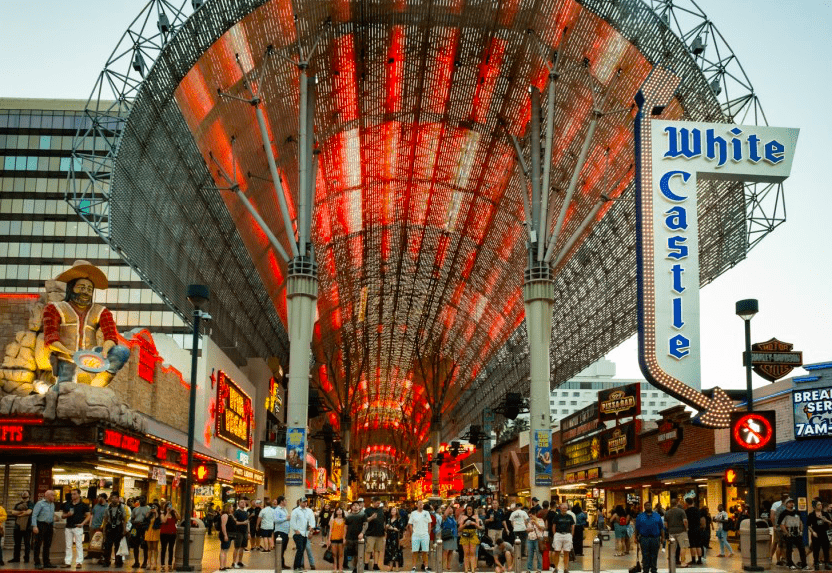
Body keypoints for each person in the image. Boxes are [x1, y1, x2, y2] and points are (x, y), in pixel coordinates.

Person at [42, 260, 130, 390]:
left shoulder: (102, 311)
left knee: (121, 351)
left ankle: (96, 387)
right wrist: (69, 353)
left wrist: (105, 352)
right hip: (66, 357)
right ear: (71, 288)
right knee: (65, 390)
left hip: (92, 356)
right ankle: (53, 389)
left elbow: (110, 336)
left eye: (89, 289)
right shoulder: (54, 308)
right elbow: (50, 339)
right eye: (81, 287)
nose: (86, 292)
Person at [60, 488, 90, 569]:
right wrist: (67, 515)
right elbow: (62, 516)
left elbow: (88, 515)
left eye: (74, 494)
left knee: (79, 545)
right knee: (68, 545)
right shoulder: (67, 504)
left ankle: (79, 562)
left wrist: (82, 524)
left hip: (78, 526)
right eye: (72, 494)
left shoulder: (83, 505)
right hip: (68, 526)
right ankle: (68, 561)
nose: (72, 495)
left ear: (79, 495)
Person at [778, 498, 809, 570]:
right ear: (786, 504)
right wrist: (786, 532)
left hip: (797, 531)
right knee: (789, 549)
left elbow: (801, 522)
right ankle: (790, 563)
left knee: (802, 549)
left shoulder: (797, 512)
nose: (791, 504)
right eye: (789, 503)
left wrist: (801, 531)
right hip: (789, 531)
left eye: (792, 502)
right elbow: (781, 524)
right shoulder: (783, 513)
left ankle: (804, 564)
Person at [32, 489, 58, 569]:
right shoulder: (40, 503)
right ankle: (37, 563)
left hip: (49, 525)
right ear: (46, 495)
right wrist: (34, 526)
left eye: (54, 495)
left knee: (47, 544)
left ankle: (46, 562)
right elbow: (34, 515)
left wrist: (53, 522)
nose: (54, 497)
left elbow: (51, 514)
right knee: (38, 544)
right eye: (52, 495)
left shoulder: (52, 504)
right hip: (41, 524)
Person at [99, 494, 128, 568]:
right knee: (108, 546)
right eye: (113, 498)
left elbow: (124, 520)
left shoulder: (121, 508)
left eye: (116, 498)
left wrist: (124, 530)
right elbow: (105, 519)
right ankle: (106, 561)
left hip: (118, 528)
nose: (114, 499)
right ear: (110, 499)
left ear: (118, 499)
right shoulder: (107, 508)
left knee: (118, 546)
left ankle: (118, 561)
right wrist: (104, 529)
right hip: (109, 528)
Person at [635, 501, 664, 573]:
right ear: (644, 507)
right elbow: (636, 528)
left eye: (649, 505)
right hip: (644, 538)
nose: (648, 507)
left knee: (654, 555)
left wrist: (663, 537)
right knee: (645, 555)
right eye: (646, 506)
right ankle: (646, 570)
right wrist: (635, 537)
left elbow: (661, 527)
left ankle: (654, 569)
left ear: (651, 506)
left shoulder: (657, 516)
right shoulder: (640, 516)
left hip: (655, 538)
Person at [291, 497, 315, 571]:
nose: (305, 503)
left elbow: (312, 521)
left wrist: (311, 529)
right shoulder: (295, 511)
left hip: (306, 533)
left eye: (306, 502)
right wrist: (296, 530)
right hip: (298, 533)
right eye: (303, 502)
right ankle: (296, 566)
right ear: (300, 502)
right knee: (300, 549)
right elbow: (292, 521)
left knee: (303, 549)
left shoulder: (309, 511)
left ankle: (301, 565)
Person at [407, 500, 432, 573]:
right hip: (416, 535)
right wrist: (413, 532)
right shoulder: (413, 513)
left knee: (425, 551)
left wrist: (428, 533)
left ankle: (426, 567)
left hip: (424, 534)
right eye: (420, 504)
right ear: (417, 505)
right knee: (415, 551)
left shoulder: (426, 513)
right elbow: (410, 524)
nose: (421, 505)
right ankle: (414, 567)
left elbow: (429, 524)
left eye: (422, 504)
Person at [11, 490, 34, 563]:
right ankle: (16, 558)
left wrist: (19, 514)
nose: (24, 493)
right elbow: (13, 512)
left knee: (27, 543)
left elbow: (29, 512)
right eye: (23, 492)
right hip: (17, 526)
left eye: (26, 492)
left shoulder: (31, 504)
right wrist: (22, 512)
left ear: (29, 495)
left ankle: (26, 559)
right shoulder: (18, 504)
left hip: (27, 526)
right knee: (17, 543)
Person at [807, 500, 831, 571]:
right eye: (818, 505)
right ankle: (816, 563)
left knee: (826, 548)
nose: (820, 506)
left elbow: (830, 523)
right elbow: (808, 525)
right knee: (816, 549)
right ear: (814, 507)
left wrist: (825, 520)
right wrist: (813, 532)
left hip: (824, 533)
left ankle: (827, 563)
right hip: (816, 533)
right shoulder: (811, 515)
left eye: (821, 504)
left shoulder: (825, 514)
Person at [458, 505, 482, 573]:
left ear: (472, 510)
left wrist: (474, 523)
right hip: (465, 534)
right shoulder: (463, 517)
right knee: (466, 553)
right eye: (468, 509)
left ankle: (473, 569)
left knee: (472, 552)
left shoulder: (475, 516)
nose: (469, 511)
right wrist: (465, 524)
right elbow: (459, 529)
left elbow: (479, 527)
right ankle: (466, 569)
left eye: (470, 509)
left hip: (473, 534)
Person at [551, 503, 575, 573]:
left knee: (566, 552)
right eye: (563, 508)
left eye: (566, 508)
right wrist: (554, 534)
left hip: (567, 534)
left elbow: (573, 525)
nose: (564, 509)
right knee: (557, 551)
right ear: (560, 508)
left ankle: (566, 568)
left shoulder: (570, 516)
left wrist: (571, 535)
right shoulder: (557, 516)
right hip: (558, 534)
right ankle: (556, 568)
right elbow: (554, 525)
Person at [345, 500, 368, 573]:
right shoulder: (348, 516)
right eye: (354, 505)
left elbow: (366, 524)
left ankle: (359, 568)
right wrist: (344, 537)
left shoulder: (363, 515)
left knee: (359, 554)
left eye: (357, 505)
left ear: (360, 507)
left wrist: (362, 533)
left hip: (359, 538)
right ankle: (354, 567)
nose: (355, 507)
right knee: (351, 555)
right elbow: (346, 526)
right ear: (351, 507)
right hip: (349, 538)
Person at [365, 497, 387, 570]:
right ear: (373, 502)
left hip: (380, 533)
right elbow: (365, 520)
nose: (378, 504)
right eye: (377, 503)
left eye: (379, 503)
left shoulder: (381, 510)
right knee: (369, 550)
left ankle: (376, 564)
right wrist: (371, 517)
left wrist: (384, 530)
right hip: (370, 533)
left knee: (377, 550)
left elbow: (383, 520)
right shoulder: (368, 510)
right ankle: (366, 564)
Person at [129, 496, 151, 569]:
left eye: (143, 499)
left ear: (146, 500)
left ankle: (145, 562)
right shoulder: (135, 509)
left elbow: (150, 520)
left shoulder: (149, 509)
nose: (142, 500)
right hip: (135, 527)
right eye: (141, 499)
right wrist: (134, 522)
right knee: (135, 545)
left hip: (144, 528)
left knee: (145, 546)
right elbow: (131, 519)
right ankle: (136, 562)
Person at [664, 499, 688, 566]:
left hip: (671, 532)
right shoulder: (681, 511)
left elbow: (665, 523)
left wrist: (669, 529)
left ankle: (672, 561)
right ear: (677, 503)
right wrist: (686, 528)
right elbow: (685, 521)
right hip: (681, 531)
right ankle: (683, 562)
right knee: (683, 546)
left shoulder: (667, 512)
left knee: (672, 547)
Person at [88, 493, 109, 562]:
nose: (99, 499)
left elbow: (106, 518)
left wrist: (103, 526)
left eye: (100, 497)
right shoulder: (96, 506)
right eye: (99, 497)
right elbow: (92, 514)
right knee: (92, 541)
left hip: (101, 527)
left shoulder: (107, 507)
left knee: (101, 543)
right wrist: (90, 524)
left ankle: (101, 557)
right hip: (93, 526)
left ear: (104, 498)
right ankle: (91, 554)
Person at [385, 507, 407, 572]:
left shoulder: (399, 519)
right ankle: (390, 566)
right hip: (389, 537)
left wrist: (393, 528)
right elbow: (386, 528)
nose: (393, 511)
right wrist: (386, 527)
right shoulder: (389, 519)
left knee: (397, 552)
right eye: (392, 510)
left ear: (396, 511)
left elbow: (401, 529)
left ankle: (397, 567)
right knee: (389, 551)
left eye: (394, 510)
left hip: (396, 537)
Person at [159, 502, 179, 572]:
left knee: (171, 549)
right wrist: (167, 513)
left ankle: (170, 564)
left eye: (170, 506)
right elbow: (164, 521)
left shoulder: (173, 515)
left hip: (172, 533)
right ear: (165, 507)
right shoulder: (162, 514)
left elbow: (179, 518)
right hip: (164, 533)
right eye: (168, 506)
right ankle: (162, 565)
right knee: (163, 549)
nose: (169, 507)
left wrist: (175, 510)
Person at [525, 507, 545, 573]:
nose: (530, 517)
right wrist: (528, 530)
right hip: (530, 539)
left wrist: (535, 523)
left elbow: (542, 528)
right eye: (529, 515)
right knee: (530, 555)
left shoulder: (540, 520)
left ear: (535, 514)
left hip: (538, 539)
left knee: (539, 555)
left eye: (531, 515)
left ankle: (539, 569)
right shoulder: (529, 521)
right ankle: (529, 569)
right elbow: (527, 530)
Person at [327, 506, 347, 573]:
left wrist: (344, 538)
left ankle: (340, 568)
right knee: (334, 554)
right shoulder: (333, 520)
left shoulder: (344, 520)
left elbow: (345, 530)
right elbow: (330, 530)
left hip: (341, 538)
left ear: (342, 511)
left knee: (341, 554)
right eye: (337, 510)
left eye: (340, 510)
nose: (339, 511)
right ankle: (335, 568)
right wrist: (329, 539)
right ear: (335, 512)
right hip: (334, 538)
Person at [232, 499, 250, 569]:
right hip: (238, 531)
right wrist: (243, 523)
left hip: (244, 531)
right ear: (238, 504)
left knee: (242, 547)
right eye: (241, 502)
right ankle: (234, 562)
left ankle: (240, 561)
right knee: (237, 547)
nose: (243, 503)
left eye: (244, 502)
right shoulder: (236, 512)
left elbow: (247, 522)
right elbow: (235, 522)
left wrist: (248, 532)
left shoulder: (246, 512)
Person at [684, 498, 702, 566]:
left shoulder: (687, 511)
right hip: (698, 528)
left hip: (691, 529)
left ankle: (693, 559)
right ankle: (699, 559)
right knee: (698, 544)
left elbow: (686, 521)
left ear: (687, 503)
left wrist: (686, 528)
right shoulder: (697, 510)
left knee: (692, 545)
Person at [274, 496, 291, 569]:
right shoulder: (277, 510)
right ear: (281, 501)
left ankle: (282, 563)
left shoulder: (284, 510)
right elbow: (276, 520)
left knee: (283, 549)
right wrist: (286, 518)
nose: (286, 502)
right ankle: (279, 565)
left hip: (285, 532)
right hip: (279, 532)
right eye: (285, 500)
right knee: (279, 549)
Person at [440, 506, 458, 571]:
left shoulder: (453, 517)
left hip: (454, 535)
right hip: (447, 535)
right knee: (446, 551)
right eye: (449, 509)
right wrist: (448, 506)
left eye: (451, 509)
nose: (451, 510)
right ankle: (443, 565)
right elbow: (445, 515)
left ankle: (449, 565)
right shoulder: (445, 517)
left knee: (451, 551)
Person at [144, 503, 161, 571]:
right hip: (149, 531)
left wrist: (156, 512)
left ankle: (155, 563)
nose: (154, 508)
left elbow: (158, 520)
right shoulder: (149, 514)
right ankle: (149, 563)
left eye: (155, 507)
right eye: (153, 507)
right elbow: (146, 518)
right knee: (149, 548)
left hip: (155, 531)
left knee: (155, 547)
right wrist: (150, 511)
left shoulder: (158, 514)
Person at [219, 503, 235, 571]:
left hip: (229, 534)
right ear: (228, 508)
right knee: (223, 550)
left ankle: (224, 565)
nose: (232, 508)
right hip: (225, 534)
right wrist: (225, 535)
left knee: (225, 550)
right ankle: (222, 566)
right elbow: (223, 526)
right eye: (231, 507)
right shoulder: (225, 515)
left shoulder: (229, 515)